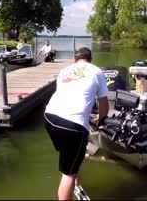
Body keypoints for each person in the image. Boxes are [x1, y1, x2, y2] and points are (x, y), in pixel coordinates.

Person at [44, 47, 109, 200]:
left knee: (68, 154)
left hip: (49, 117)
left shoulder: (64, 71)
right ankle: (71, 177)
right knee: (68, 174)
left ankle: (72, 175)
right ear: (90, 59)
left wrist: (86, 114)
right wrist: (100, 119)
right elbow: (103, 103)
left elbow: (69, 96)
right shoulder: (97, 71)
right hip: (73, 125)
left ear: (75, 59)